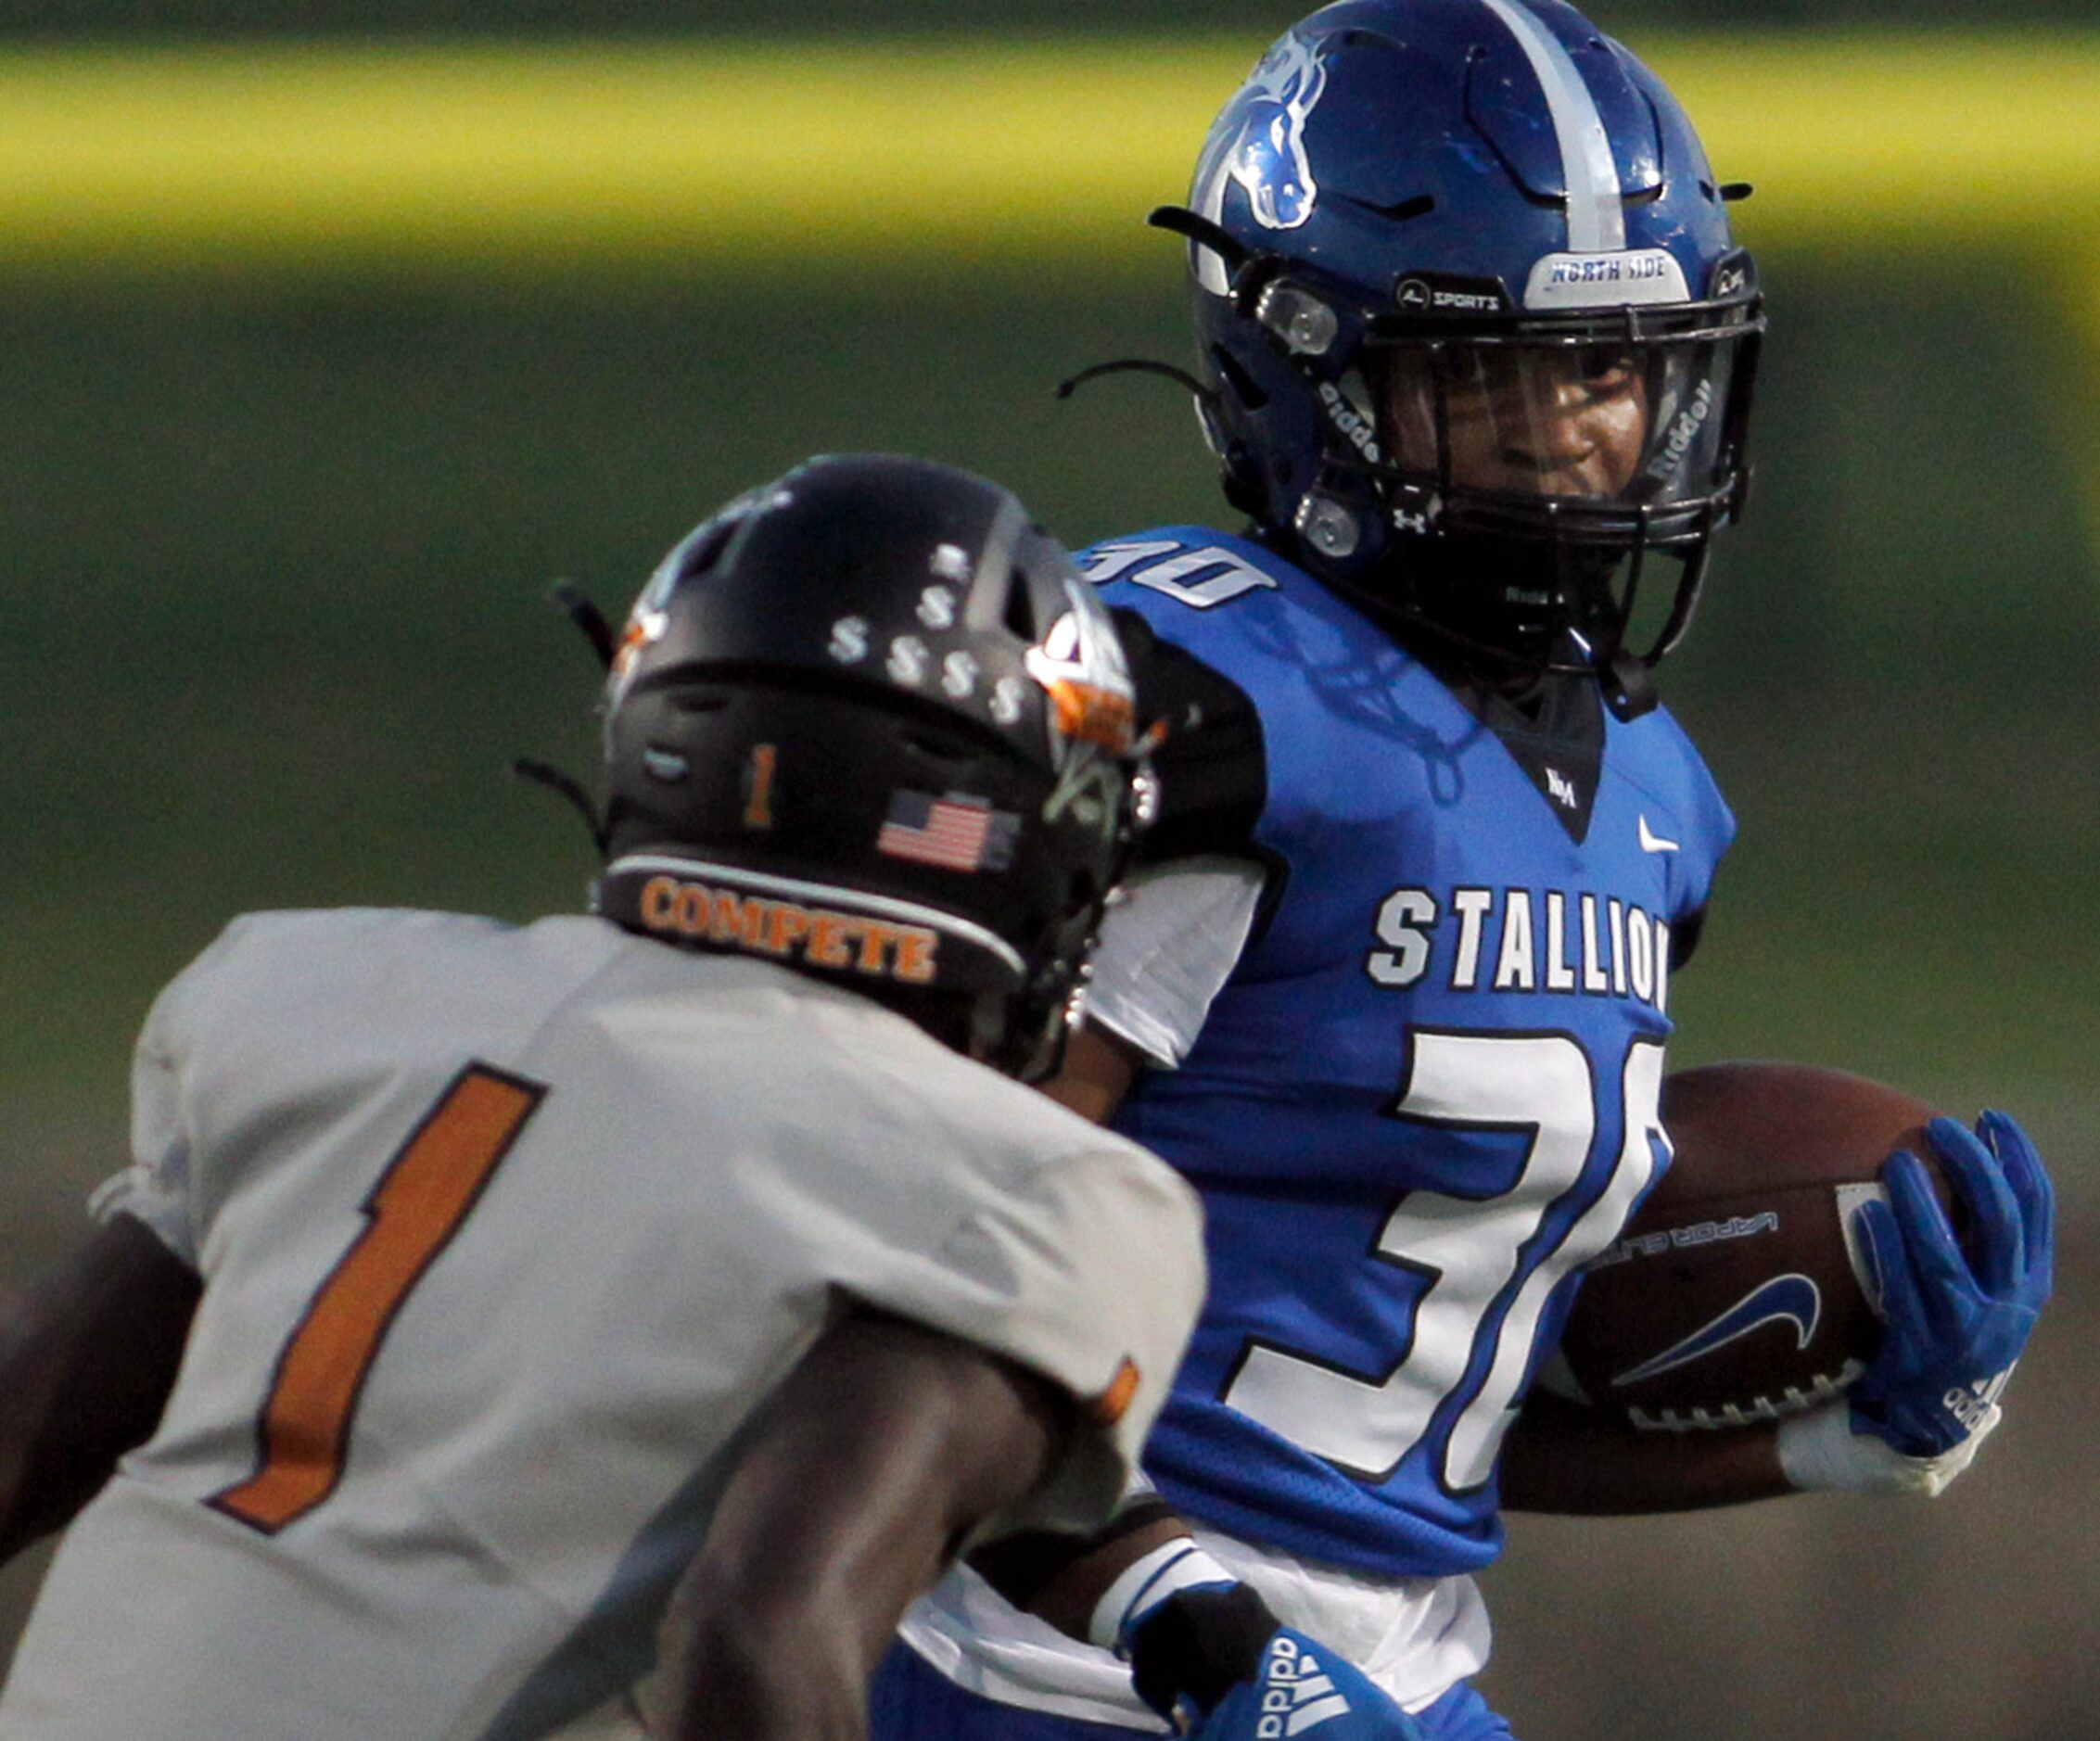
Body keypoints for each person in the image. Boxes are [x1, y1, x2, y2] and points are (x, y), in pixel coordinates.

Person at [871, 5, 2055, 1739]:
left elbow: (1422, 1416)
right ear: (1308, 370)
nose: (1575, 432)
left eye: (1613, 368)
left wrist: (1838, 1432)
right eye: (1493, 375)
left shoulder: (1652, 797)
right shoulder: (1201, 706)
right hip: (1052, 1665)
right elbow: (909, 1261)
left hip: (1389, 1676)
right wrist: (1204, 1637)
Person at [0, 454, 1222, 1741]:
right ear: (1012, 825)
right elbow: (762, 1618)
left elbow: (22, 1424)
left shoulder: (311, 993)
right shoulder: (1046, 1190)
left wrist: (1201, 1617)